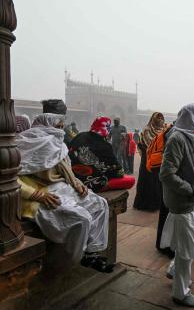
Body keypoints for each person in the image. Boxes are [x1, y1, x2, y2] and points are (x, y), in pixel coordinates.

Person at [16, 113, 113, 273]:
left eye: (62, 127)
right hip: (42, 192)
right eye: (57, 127)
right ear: (45, 126)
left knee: (100, 204)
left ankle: (92, 253)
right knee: (81, 218)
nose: (61, 131)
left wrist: (78, 184)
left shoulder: (58, 145)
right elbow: (12, 179)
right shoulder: (26, 144)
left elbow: (67, 170)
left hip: (63, 187)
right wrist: (36, 195)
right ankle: (77, 257)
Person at [159, 104, 194, 307]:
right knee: (186, 249)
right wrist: (189, 189)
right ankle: (181, 292)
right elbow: (166, 174)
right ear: (192, 118)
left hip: (190, 201)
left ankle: (173, 268)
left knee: (191, 240)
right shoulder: (178, 138)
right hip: (183, 200)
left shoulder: (190, 136)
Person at [68, 117, 135, 193]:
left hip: (73, 177)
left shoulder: (80, 135)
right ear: (107, 128)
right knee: (131, 180)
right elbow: (118, 172)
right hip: (91, 183)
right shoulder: (105, 145)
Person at [133, 113, 166, 212]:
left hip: (159, 160)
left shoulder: (163, 131)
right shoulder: (147, 130)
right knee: (148, 181)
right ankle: (146, 204)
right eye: (158, 118)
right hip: (147, 160)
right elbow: (142, 144)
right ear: (153, 119)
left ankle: (158, 203)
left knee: (158, 182)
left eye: (161, 118)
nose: (160, 120)